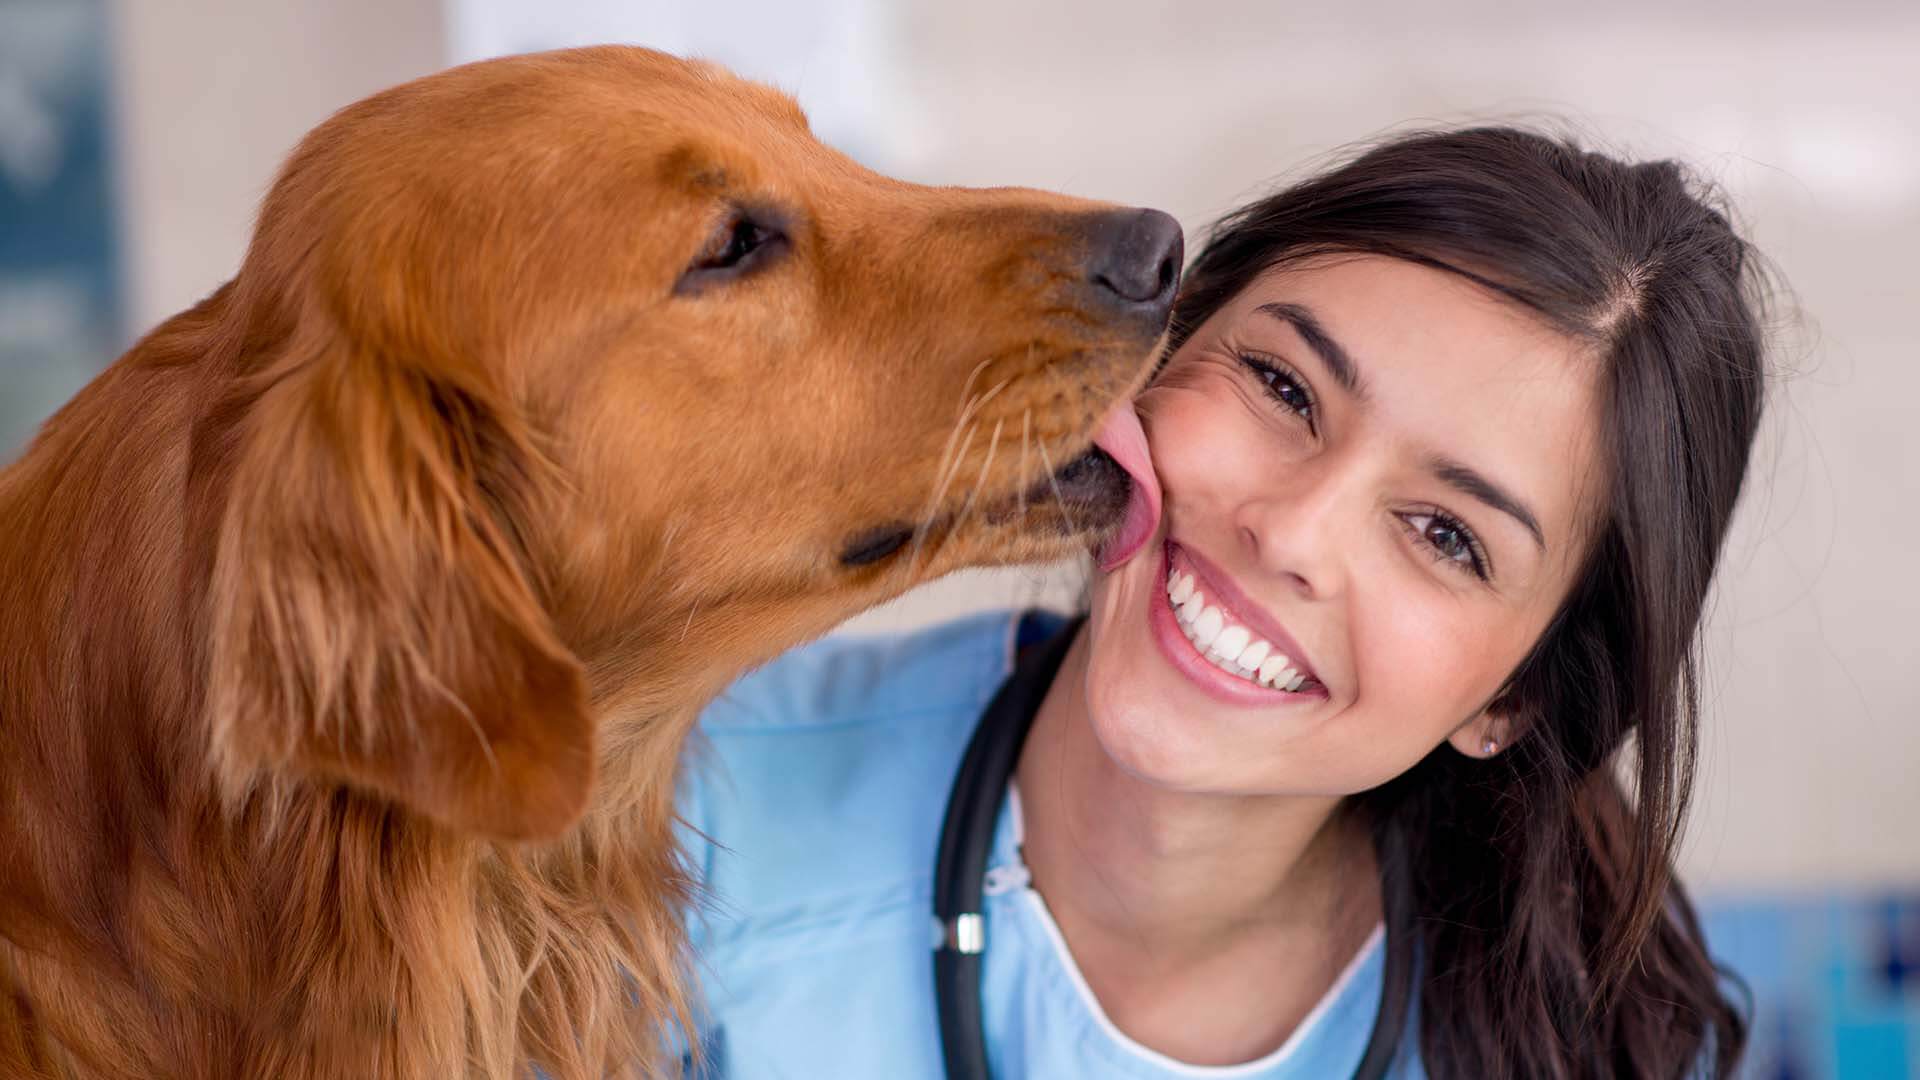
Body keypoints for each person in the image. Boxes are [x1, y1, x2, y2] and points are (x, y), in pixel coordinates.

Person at [675, 125, 1766, 1079]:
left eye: (1447, 537)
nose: (1290, 531)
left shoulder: (1583, 1048)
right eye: (1285, 388)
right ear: (1158, 349)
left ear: (1515, 701)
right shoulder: (683, 815)